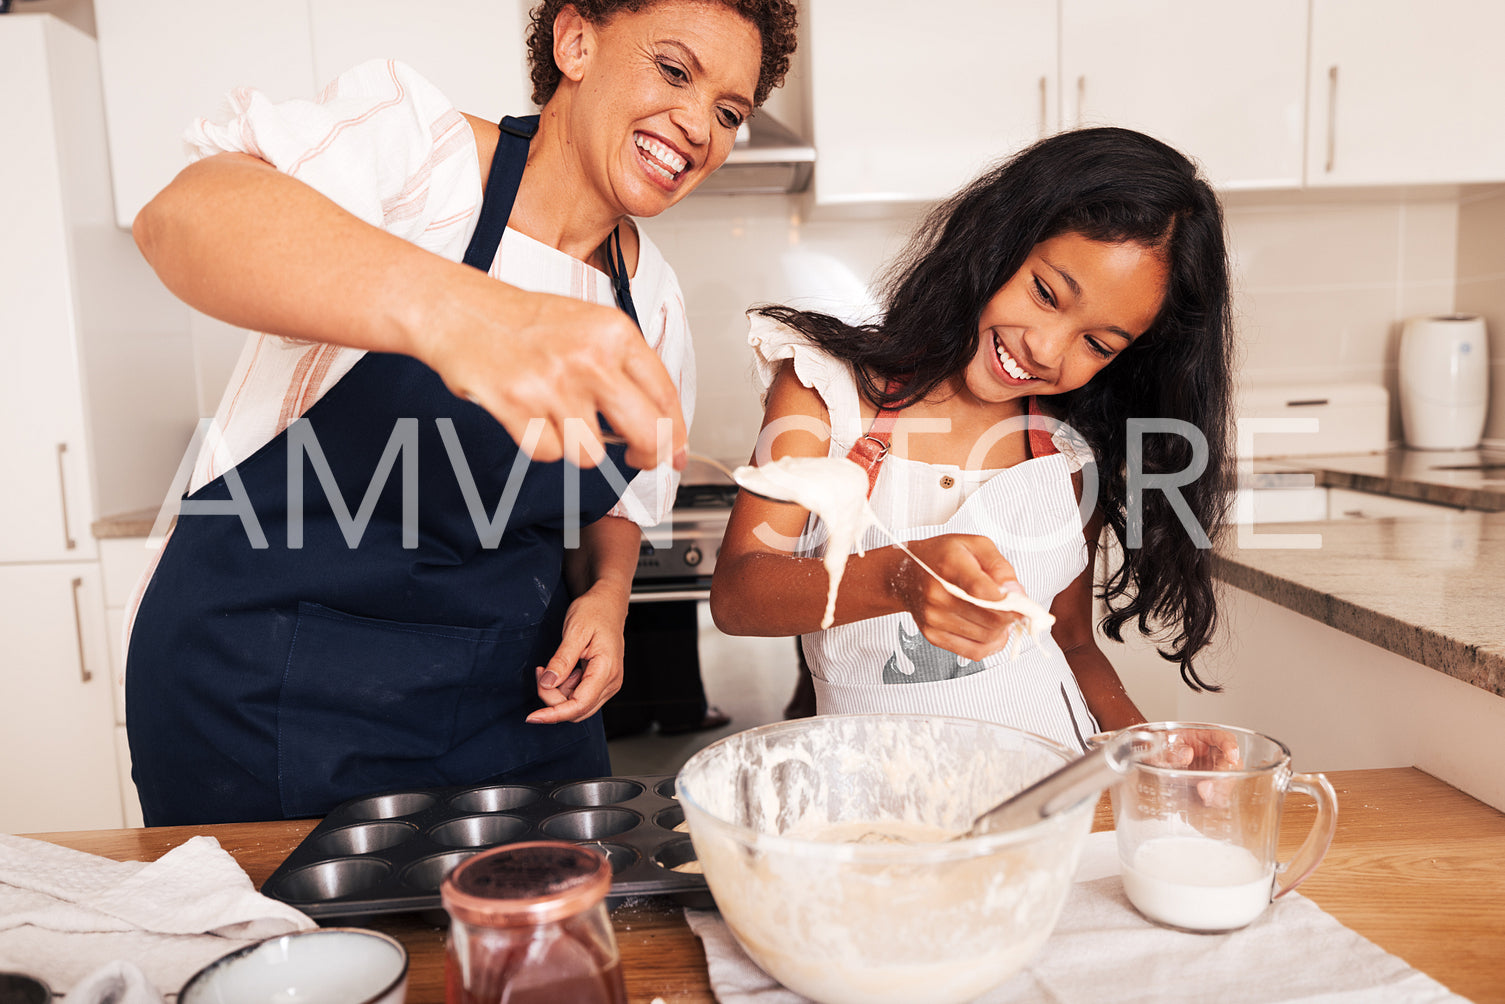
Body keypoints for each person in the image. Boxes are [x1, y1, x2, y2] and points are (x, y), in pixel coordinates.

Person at [124, 0, 798, 826]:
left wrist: (607, 596)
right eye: (672, 70)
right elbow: (183, 217)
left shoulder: (650, 299)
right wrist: (470, 315)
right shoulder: (421, 155)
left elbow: (624, 497)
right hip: (267, 696)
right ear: (576, 41)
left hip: (510, 710)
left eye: (729, 112)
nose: (699, 125)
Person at [709, 127, 1236, 750]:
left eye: (1097, 343)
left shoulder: (1067, 454)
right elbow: (740, 594)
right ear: (1001, 240)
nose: (1045, 347)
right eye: (1046, 293)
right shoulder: (830, 395)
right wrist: (900, 578)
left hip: (1051, 790)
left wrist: (1154, 748)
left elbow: (1068, 641)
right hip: (877, 796)